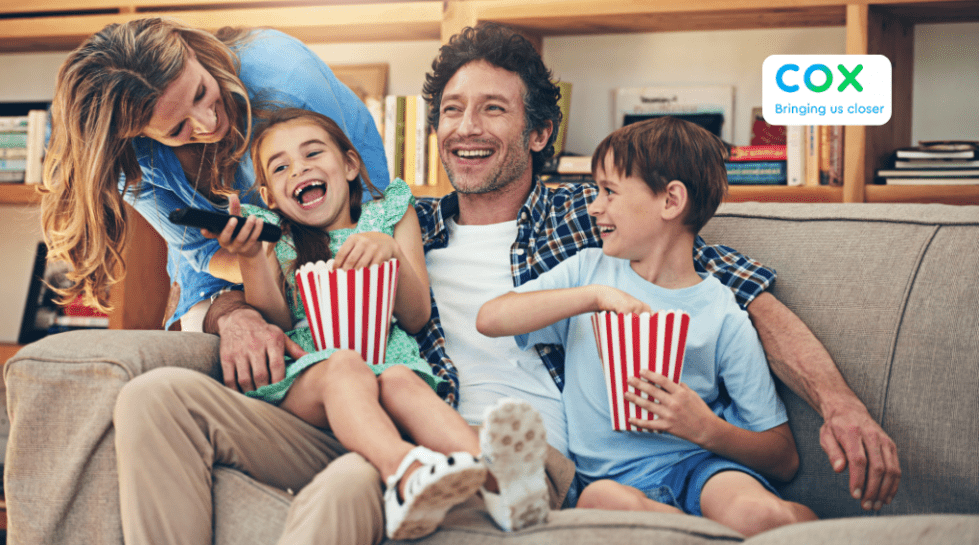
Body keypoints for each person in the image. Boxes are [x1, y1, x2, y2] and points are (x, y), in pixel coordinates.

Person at [202, 20, 898, 540]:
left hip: (552, 455)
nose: (465, 129)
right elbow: (282, 259)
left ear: (539, 135)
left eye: (492, 110)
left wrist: (838, 401)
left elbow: (738, 291)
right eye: (451, 110)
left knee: (356, 483)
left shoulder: (588, 214)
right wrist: (231, 307)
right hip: (421, 429)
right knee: (348, 478)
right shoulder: (400, 224)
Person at [476, 117, 819, 536]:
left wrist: (705, 428)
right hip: (608, 480)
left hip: (699, 466)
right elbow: (491, 318)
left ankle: (768, 526)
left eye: (609, 192)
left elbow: (783, 457)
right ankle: (698, 531)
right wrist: (594, 297)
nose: (593, 206)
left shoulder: (723, 314)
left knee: (758, 514)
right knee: (603, 502)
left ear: (671, 201)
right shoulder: (588, 272)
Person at [214, 107, 543, 540]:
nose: (300, 169)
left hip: (385, 362)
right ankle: (405, 474)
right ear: (271, 195)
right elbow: (276, 318)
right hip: (311, 376)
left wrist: (390, 252)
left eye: (313, 153)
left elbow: (416, 314)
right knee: (347, 367)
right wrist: (252, 258)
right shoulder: (278, 235)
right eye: (281, 167)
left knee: (403, 381)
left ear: (350, 165)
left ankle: (505, 483)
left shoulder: (388, 216)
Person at [39, 17, 389, 335]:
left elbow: (357, 214)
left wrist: (282, 271)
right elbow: (203, 254)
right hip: (245, 269)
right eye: (178, 128)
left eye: (201, 92)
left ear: (190, 51)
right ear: (139, 134)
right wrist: (256, 265)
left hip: (348, 228)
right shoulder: (129, 158)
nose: (208, 125)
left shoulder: (286, 79)